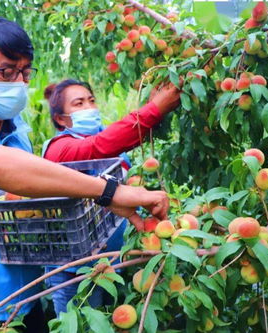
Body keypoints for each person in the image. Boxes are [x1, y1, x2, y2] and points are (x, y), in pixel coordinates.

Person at [0, 17, 169, 332]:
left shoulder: (17, 132)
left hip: (25, 296)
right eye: (7, 72)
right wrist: (108, 191)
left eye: (25, 72)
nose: (19, 82)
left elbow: (33, 187)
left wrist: (102, 205)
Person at [41, 79, 180, 316]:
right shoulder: (58, 147)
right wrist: (155, 109)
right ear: (61, 119)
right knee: (83, 321)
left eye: (91, 100)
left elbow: (125, 136)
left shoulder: (102, 135)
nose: (90, 107)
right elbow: (101, 146)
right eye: (79, 103)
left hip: (110, 260)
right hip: (76, 270)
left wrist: (153, 101)